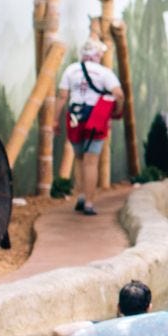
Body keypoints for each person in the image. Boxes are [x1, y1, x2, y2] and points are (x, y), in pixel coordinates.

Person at [55, 38, 125, 217]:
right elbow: (119, 94)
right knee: (91, 161)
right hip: (96, 119)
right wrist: (116, 112)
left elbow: (62, 96)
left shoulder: (71, 70)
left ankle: (80, 196)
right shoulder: (104, 73)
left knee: (79, 158)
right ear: (98, 55)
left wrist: (55, 120)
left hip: (75, 117)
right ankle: (89, 203)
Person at [42, 280, 151, 336]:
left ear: (118, 307)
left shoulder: (104, 328)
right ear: (149, 308)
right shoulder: (154, 331)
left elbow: (58, 332)